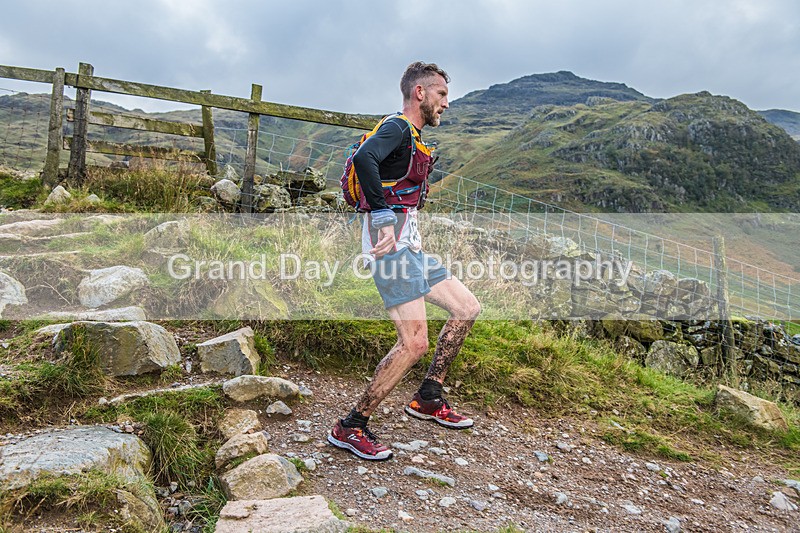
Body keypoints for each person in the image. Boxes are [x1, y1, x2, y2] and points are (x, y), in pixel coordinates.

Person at [328, 62, 481, 461]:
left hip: (409, 248)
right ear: (420, 93)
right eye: (442, 95)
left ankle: (428, 396)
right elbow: (364, 159)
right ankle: (351, 426)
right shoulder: (396, 127)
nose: (446, 104)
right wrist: (380, 219)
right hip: (390, 251)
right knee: (414, 343)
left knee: (466, 308)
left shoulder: (413, 136)